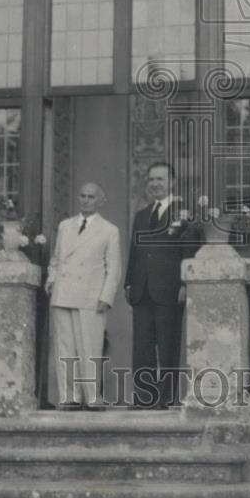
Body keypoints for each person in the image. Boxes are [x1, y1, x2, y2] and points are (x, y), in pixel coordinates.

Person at [124, 161, 202, 408]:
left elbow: (188, 250)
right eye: (151, 180)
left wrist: (183, 284)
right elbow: (134, 252)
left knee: (168, 345)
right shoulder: (142, 215)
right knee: (142, 348)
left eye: (160, 179)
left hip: (169, 289)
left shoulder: (184, 214)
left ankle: (166, 398)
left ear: (172, 182)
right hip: (141, 289)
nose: (155, 184)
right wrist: (128, 283)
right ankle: (144, 398)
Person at [46, 182, 121, 410]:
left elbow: (114, 268)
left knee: (90, 347)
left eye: (91, 196)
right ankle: (70, 397)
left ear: (100, 200)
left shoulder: (109, 230)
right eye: (83, 196)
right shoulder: (65, 226)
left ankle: (92, 397)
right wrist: (51, 280)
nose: (86, 200)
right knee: (65, 348)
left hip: (90, 295)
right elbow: (56, 259)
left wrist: (106, 296)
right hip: (63, 292)